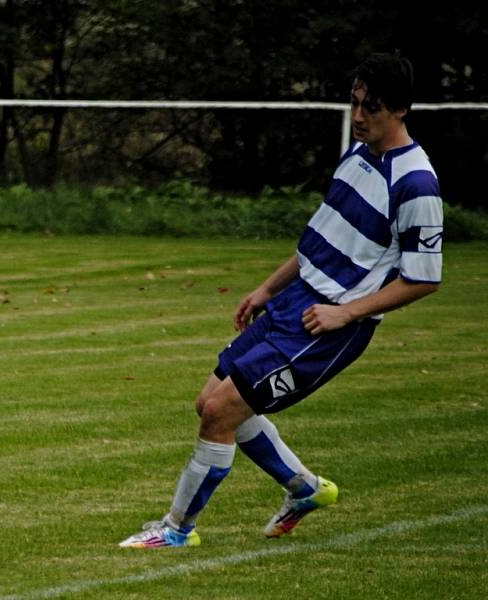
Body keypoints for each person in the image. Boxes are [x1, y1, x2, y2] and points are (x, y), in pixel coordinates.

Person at [120, 52, 443, 548]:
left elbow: (424, 279)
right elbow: (319, 235)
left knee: (221, 412)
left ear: (400, 110)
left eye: (371, 107)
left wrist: (346, 313)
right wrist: (268, 288)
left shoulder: (416, 184)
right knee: (209, 401)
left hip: (329, 324)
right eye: (354, 103)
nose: (358, 116)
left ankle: (176, 530)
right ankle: (305, 490)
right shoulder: (357, 156)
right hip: (295, 300)